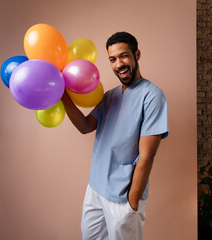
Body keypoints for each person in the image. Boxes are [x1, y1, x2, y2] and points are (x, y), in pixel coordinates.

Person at [61, 32, 168, 240]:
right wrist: (63, 95)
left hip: (122, 196)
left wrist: (132, 202)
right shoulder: (110, 96)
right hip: (95, 189)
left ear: (136, 54)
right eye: (112, 59)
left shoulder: (152, 95)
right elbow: (85, 126)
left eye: (124, 56)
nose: (119, 64)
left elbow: (147, 156)